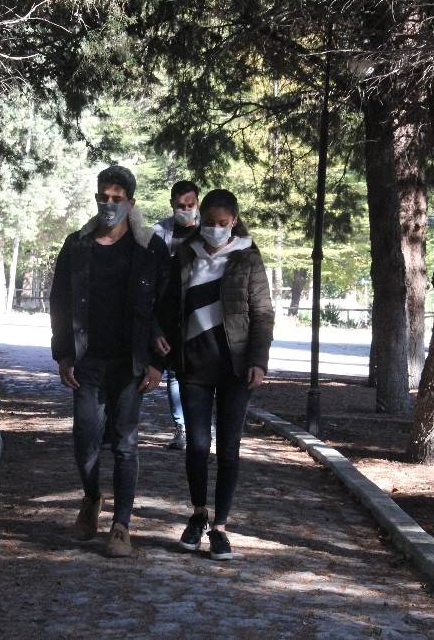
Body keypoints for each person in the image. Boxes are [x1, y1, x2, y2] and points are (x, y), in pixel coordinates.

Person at [49, 165, 168, 558]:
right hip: (88, 361)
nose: (109, 204)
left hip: (131, 364)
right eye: (104, 197)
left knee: (125, 444)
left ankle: (121, 526)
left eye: (117, 199)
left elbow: (166, 305)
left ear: (131, 203)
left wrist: (157, 363)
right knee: (85, 440)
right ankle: (91, 496)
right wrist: (63, 353)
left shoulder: (150, 247)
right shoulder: (77, 245)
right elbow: (59, 302)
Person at [154, 189, 274, 560]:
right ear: (200, 220)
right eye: (209, 222)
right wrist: (159, 333)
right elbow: (165, 304)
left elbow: (263, 313)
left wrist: (258, 361)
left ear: (234, 221)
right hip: (193, 365)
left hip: (236, 368)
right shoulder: (185, 254)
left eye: (223, 223)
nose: (216, 229)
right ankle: (198, 514)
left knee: (228, 449)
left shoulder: (248, 257)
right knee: (197, 446)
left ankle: (220, 527)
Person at [152, 180, 200, 450]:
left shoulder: (208, 229)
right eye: (181, 205)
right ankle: (181, 427)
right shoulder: (158, 233)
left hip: (199, 312)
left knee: (200, 371)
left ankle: (199, 424)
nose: (186, 210)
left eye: (190, 205)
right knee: (173, 373)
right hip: (169, 312)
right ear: (172, 204)